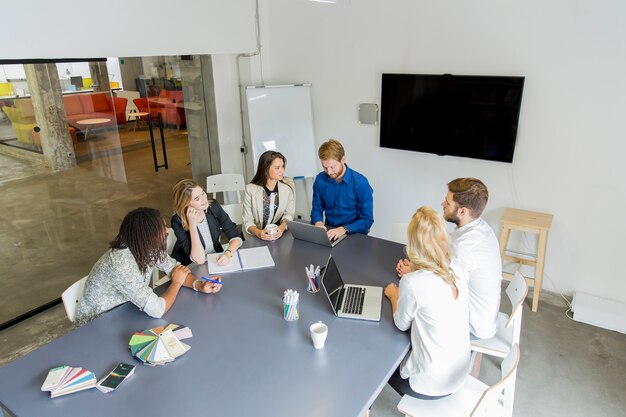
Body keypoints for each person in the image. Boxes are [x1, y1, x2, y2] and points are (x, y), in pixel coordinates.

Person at [75, 208, 222, 326]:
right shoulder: (121, 263)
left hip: (128, 311)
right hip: (97, 326)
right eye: (162, 228)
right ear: (147, 235)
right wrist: (176, 283)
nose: (167, 231)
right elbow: (157, 309)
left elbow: (175, 269)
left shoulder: (146, 247)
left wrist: (199, 285)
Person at [397, 178, 501, 339]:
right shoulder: (480, 228)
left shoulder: (465, 248)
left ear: (463, 211)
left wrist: (413, 273)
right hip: (485, 313)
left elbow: (442, 286)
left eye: (447, 202)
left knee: (415, 309)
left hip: (472, 325)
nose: (442, 204)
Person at [385, 206, 470, 399]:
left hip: (428, 384)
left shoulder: (413, 283)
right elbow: (433, 284)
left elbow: (401, 323)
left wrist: (393, 294)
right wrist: (416, 269)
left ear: (413, 244)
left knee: (375, 360)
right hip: (458, 374)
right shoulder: (457, 269)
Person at [311, 139, 374, 240]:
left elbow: (367, 220)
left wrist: (343, 229)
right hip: (329, 233)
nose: (329, 172)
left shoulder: (360, 183)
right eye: (325, 167)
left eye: (332, 167)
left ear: (343, 160)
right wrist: (318, 223)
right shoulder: (320, 179)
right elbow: (317, 208)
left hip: (353, 235)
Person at [171, 179, 243, 266]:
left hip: (215, 258)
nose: (204, 199)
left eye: (203, 193)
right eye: (197, 199)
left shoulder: (213, 206)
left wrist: (227, 253)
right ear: (186, 204)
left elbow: (236, 236)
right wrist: (192, 226)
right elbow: (199, 260)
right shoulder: (177, 221)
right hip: (190, 265)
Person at [242, 150, 295, 240]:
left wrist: (281, 228)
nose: (282, 171)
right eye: (277, 168)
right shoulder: (250, 190)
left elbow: (289, 214)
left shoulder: (287, 188)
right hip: (254, 237)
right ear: (265, 169)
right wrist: (258, 233)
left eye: (282, 166)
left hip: (277, 236)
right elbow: (247, 220)